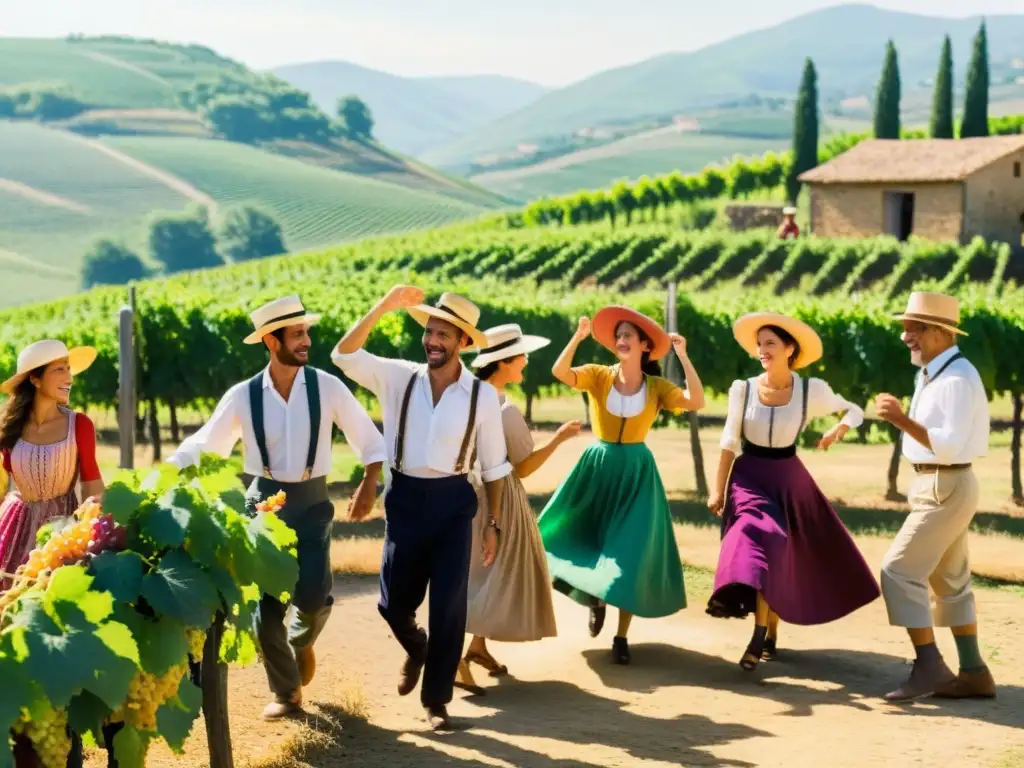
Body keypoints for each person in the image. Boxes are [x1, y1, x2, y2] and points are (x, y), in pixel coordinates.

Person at [161, 295, 387, 720]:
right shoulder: (244, 396)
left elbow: (369, 437)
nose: (307, 341)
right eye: (297, 334)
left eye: (306, 332)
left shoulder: (327, 387)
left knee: (315, 597)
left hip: (313, 502)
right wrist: (166, 474)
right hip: (261, 506)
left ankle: (301, 642)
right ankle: (287, 693)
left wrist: (371, 480)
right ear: (271, 340)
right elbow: (205, 444)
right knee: (266, 613)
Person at [332, 286, 511, 731]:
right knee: (392, 606)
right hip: (406, 501)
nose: (432, 340)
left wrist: (492, 524)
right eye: (429, 331)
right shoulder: (398, 377)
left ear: (463, 343)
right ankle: (418, 649)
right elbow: (343, 355)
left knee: (449, 606)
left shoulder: (481, 397)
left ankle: (437, 701)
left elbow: (494, 467)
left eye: (443, 334)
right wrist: (385, 306)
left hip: (454, 503)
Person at [706, 313, 880, 670]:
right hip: (749, 476)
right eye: (760, 344)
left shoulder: (809, 390)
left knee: (781, 550)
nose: (762, 350)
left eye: (770, 343)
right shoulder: (743, 388)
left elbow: (853, 409)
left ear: (790, 349)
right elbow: (728, 440)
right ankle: (758, 633)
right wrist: (717, 490)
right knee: (759, 535)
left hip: (789, 479)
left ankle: (770, 631)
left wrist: (839, 430)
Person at [538, 306, 706, 665]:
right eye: (619, 335)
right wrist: (578, 337)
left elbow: (697, 401)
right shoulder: (599, 374)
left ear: (646, 345)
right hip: (596, 468)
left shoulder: (658, 387)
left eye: (629, 335)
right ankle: (594, 598)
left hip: (636, 474)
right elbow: (559, 371)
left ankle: (621, 636)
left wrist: (683, 357)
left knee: (628, 556)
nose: (622, 340)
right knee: (581, 539)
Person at [875, 291, 994, 702]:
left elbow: (947, 443)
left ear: (941, 333)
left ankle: (929, 667)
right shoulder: (933, 373)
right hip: (940, 484)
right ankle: (975, 672)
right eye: (906, 327)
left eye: (916, 328)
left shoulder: (957, 379)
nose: (907, 335)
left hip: (946, 484)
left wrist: (901, 419)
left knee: (897, 570)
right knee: (950, 580)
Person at [455, 324, 580, 692]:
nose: (526, 361)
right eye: (521, 355)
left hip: (463, 494)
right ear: (504, 361)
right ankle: (454, 657)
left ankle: (477, 648)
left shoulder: (463, 399)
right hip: (500, 499)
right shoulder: (504, 410)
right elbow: (523, 466)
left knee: (477, 573)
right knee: (499, 575)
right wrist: (558, 438)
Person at [1, 340, 103, 590]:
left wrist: (96, 533)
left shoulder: (79, 425)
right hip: (15, 522)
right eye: (59, 369)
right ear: (35, 380)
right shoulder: (10, 428)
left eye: (69, 369)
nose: (69, 377)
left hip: (62, 527)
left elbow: (92, 487)